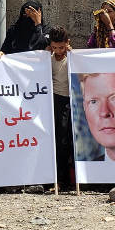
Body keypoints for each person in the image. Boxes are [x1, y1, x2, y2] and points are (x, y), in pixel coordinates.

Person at [46, 26, 74, 187]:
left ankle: (67, 177)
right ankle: (57, 177)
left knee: (66, 139)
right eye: (55, 47)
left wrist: (71, 54)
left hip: (69, 100)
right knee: (57, 138)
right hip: (53, 99)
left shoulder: (72, 58)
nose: (58, 51)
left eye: (61, 47)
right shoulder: (48, 58)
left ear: (67, 43)